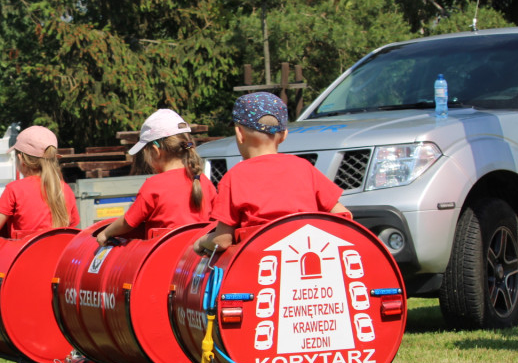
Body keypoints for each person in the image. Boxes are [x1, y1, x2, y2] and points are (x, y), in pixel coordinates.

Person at [195, 92, 351, 254]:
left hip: (258, 266)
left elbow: (222, 240)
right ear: (284, 135)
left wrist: (200, 243)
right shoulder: (304, 167)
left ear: (239, 133)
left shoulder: (234, 177)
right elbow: (343, 214)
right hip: (307, 256)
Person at [97, 108, 216, 245]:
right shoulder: (202, 181)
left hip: (165, 257)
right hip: (197, 258)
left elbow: (128, 222)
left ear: (155, 151)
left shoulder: (154, 185)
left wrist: (106, 233)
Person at [0, 125, 79, 240]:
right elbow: (72, 227)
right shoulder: (64, 189)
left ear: (21, 159)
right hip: (58, 257)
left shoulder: (15, 189)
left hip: (26, 258)